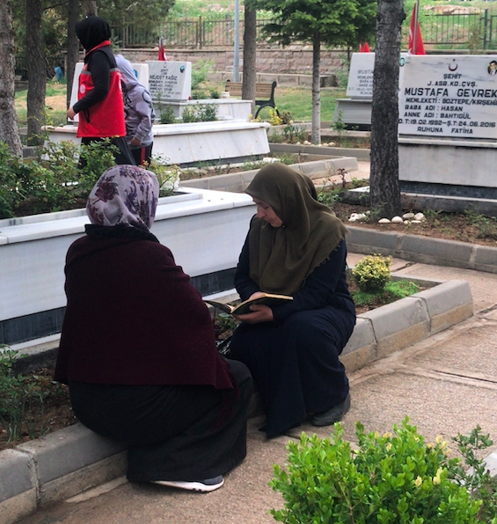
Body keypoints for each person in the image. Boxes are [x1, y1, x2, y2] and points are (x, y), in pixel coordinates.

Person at [54, 165, 253, 492]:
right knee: (236, 378)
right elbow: (196, 317)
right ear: (143, 203)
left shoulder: (79, 251)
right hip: (136, 409)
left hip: (86, 401)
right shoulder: (148, 255)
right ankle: (172, 465)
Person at [228, 163, 355, 440]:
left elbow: (318, 293)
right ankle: (286, 406)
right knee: (245, 343)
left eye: (265, 206)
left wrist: (273, 315)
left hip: (325, 309)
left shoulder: (327, 230)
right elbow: (241, 274)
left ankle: (334, 395)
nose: (260, 214)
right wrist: (253, 296)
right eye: (257, 205)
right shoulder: (259, 227)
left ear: (287, 200)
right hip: (273, 307)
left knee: (301, 330)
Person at [66, 16, 134, 166]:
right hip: (100, 123)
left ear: (90, 34)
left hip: (102, 124)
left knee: (118, 169)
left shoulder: (99, 56)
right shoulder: (101, 54)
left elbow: (101, 89)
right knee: (107, 168)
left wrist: (76, 108)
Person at [115, 54, 154, 167]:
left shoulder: (139, 92)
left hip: (140, 144)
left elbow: (148, 117)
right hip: (126, 143)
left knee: (140, 173)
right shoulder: (121, 92)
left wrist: (138, 137)